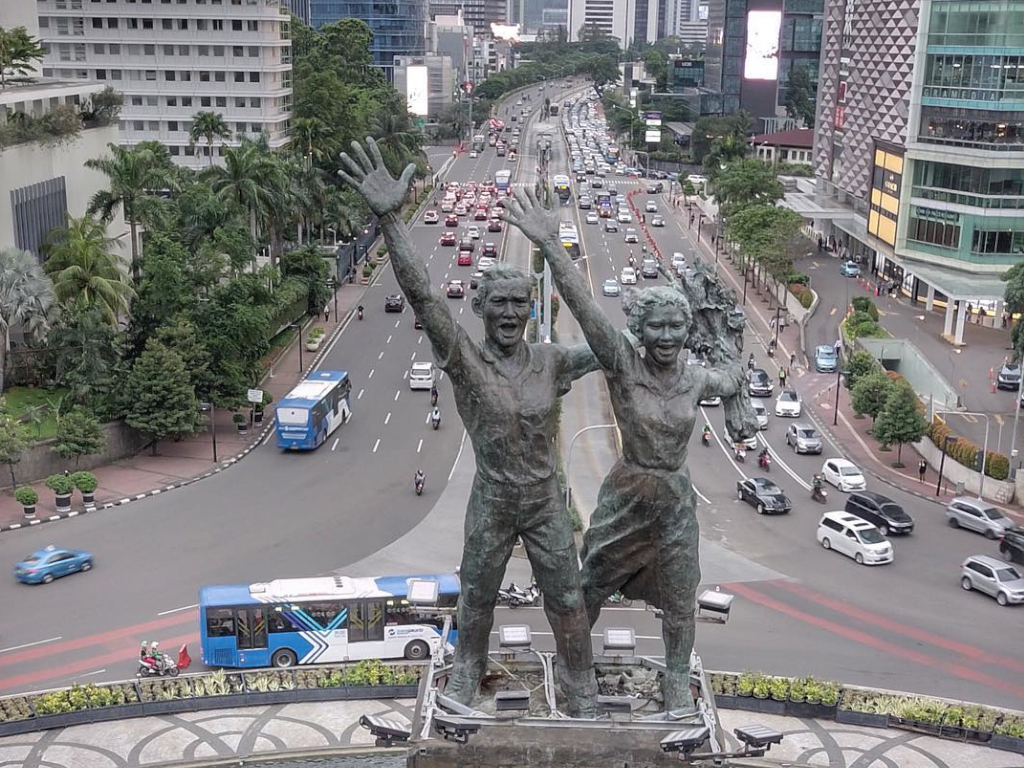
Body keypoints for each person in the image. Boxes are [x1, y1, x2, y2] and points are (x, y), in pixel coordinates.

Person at [339, 138, 600, 718]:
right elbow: (422, 295)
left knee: (567, 598)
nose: (508, 313)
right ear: (480, 308)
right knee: (476, 597)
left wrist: (554, 248)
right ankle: (466, 671)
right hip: (492, 498)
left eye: (518, 303)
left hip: (544, 500)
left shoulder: (553, 361)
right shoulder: (464, 358)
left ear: (530, 308)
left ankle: (580, 682)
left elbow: (611, 347)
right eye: (497, 303)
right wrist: (390, 219)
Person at [505, 186, 758, 713]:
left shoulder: (694, 380)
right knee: (588, 589)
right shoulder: (623, 364)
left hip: (674, 501)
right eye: (656, 326)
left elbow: (732, 375)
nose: (666, 336)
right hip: (627, 495)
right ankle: (575, 671)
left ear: (688, 330)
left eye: (676, 326)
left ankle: (675, 681)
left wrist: (736, 366)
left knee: (682, 597)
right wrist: (550, 245)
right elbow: (585, 308)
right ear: (639, 330)